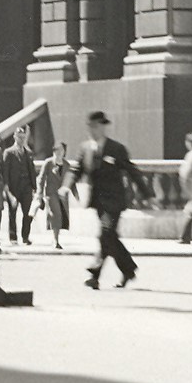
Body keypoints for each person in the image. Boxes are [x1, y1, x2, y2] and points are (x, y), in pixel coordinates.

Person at [73, 111, 142, 290]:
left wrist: (146, 191)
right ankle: (128, 269)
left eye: (95, 126)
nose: (92, 130)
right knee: (109, 237)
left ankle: (95, 274)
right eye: (90, 126)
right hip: (98, 202)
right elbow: (77, 170)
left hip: (115, 202)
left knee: (105, 233)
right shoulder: (86, 148)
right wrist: (66, 186)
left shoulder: (116, 148)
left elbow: (131, 170)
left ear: (102, 127)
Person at [2, 125, 37, 247]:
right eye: (19, 137)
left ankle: (25, 237)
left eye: (23, 137)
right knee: (13, 212)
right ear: (14, 137)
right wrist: (6, 188)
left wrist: (34, 188)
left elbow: (32, 170)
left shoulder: (29, 153)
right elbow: (5, 172)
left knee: (28, 213)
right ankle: (13, 238)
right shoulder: (8, 152)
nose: (21, 139)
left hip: (26, 187)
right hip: (14, 187)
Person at [38, 143, 72, 249]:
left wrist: (76, 195)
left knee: (61, 217)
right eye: (56, 150)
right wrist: (39, 192)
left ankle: (56, 238)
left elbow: (70, 180)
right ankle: (55, 240)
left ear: (64, 151)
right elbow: (41, 178)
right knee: (55, 214)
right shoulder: (48, 163)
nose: (58, 152)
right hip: (51, 194)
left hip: (62, 195)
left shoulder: (67, 164)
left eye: (61, 150)